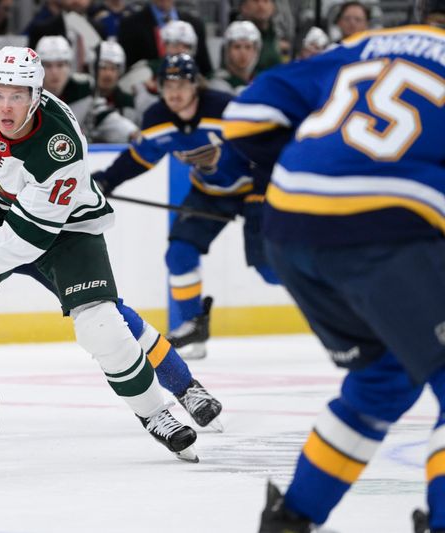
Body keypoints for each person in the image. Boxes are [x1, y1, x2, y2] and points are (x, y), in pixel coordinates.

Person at [0, 45, 202, 462]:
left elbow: (26, 237)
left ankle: (156, 413)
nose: (5, 107)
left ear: (36, 97)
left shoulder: (60, 145)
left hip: (66, 228)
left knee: (101, 324)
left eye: (17, 96)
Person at [221, 24, 445, 532]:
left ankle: (292, 520)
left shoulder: (370, 43)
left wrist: (324, 168)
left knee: (383, 378)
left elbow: (245, 116)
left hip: (290, 226)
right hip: (387, 231)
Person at [0, 119, 225, 434]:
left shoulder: (4, 143)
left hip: (43, 228)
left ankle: (186, 386)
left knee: (104, 314)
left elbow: (25, 211)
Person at [93, 54, 280, 359]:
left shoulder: (225, 109)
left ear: (196, 85)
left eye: (182, 84)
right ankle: (194, 325)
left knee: (269, 268)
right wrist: (106, 181)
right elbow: (140, 157)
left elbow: (267, 147)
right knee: (179, 252)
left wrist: (261, 196)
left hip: (255, 188)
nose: (174, 92)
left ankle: (327, 289)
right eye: (168, 85)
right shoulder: (157, 119)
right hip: (209, 191)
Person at [35, 35, 138, 143]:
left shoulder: (83, 90)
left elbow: (105, 118)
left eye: (60, 65)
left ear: (69, 66)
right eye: (48, 65)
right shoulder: (27, 93)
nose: (54, 72)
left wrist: (131, 132)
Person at [208, 20, 261, 95]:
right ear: (227, 50)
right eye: (237, 47)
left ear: (256, 51)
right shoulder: (217, 83)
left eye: (248, 47)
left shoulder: (261, 80)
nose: (243, 53)